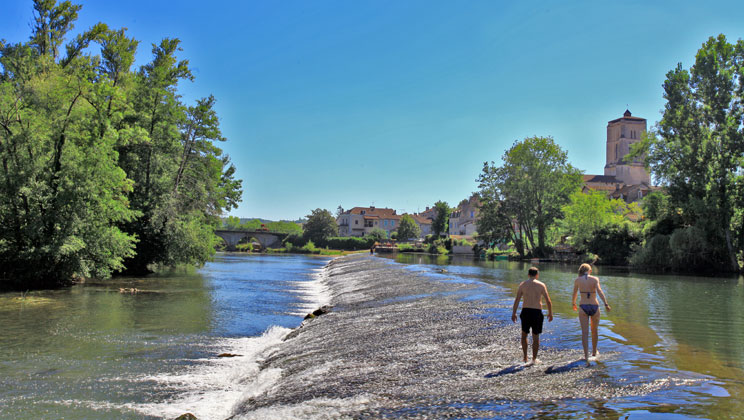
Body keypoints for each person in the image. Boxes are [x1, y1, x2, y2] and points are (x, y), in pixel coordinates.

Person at [511, 267, 553, 364]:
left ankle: (525, 357)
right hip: (537, 312)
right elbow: (548, 301)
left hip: (525, 311)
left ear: (528, 275)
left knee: (524, 335)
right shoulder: (541, 285)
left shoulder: (522, 285)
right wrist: (550, 313)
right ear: (537, 275)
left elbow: (517, 300)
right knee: (536, 336)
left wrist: (514, 313)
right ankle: (534, 359)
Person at [571, 263, 611, 365]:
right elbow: (600, 292)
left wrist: (573, 303)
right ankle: (594, 352)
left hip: (583, 306)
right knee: (594, 330)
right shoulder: (595, 279)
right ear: (590, 270)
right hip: (594, 306)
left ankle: (586, 356)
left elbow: (574, 293)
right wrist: (606, 304)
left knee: (585, 333)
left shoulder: (577, 280)